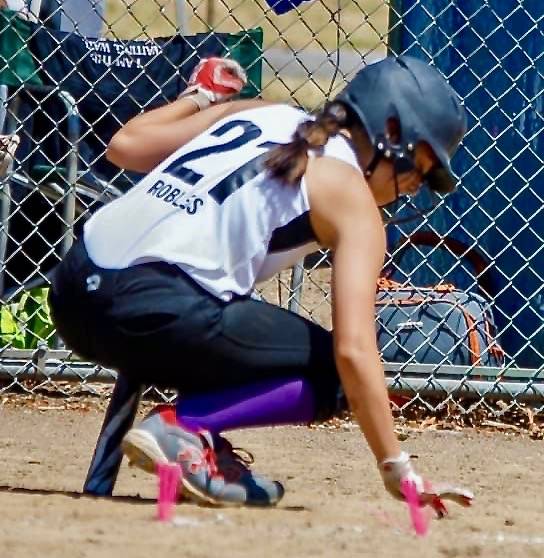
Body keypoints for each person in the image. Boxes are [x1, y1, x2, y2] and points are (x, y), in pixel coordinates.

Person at [48, 56, 474, 510]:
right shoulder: (352, 199)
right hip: (152, 314)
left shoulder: (257, 112)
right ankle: (185, 426)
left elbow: (125, 146)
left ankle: (198, 440)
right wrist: (396, 466)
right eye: (421, 166)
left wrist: (202, 97)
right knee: (335, 378)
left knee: (220, 298)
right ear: (391, 132)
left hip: (73, 289)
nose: (414, 187)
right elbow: (353, 352)